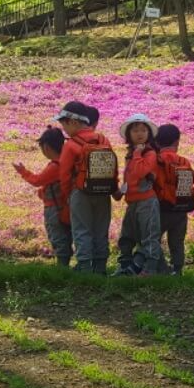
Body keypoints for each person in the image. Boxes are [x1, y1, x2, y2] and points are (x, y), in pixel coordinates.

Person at [55, 101, 114, 275]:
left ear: (73, 122)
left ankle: (84, 266)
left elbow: (64, 175)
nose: (64, 129)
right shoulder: (103, 140)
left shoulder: (71, 145)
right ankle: (101, 267)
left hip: (80, 193)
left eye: (64, 124)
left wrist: (68, 195)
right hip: (104, 192)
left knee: (82, 230)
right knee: (100, 230)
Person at [14, 128, 72, 267]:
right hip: (66, 207)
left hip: (54, 209)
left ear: (46, 147)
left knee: (57, 237)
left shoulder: (55, 166)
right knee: (66, 237)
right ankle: (65, 265)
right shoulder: (67, 162)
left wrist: (23, 171)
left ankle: (62, 267)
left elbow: (37, 180)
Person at [114, 113, 163, 276]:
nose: (140, 134)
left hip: (147, 201)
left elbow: (142, 171)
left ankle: (149, 270)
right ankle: (125, 266)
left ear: (149, 134)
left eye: (143, 130)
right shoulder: (130, 154)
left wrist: (137, 155)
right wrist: (121, 192)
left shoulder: (149, 153)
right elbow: (130, 176)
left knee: (149, 236)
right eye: (135, 131)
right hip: (132, 201)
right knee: (126, 235)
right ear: (129, 135)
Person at [154, 124, 192, 276]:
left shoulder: (156, 160)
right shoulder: (184, 162)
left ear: (156, 142)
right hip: (181, 208)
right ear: (177, 142)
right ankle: (177, 269)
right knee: (177, 242)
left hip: (161, 208)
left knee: (153, 239)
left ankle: (161, 268)